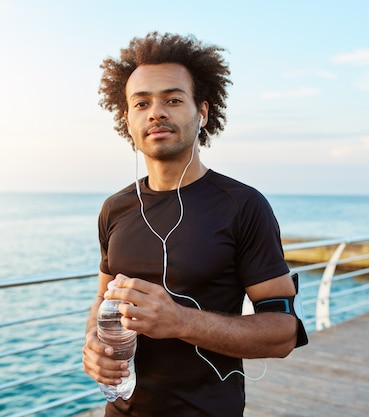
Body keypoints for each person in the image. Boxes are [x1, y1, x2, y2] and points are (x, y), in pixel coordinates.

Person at [82, 32, 307, 417]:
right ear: (128, 119)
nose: (156, 112)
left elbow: (283, 332)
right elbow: (104, 299)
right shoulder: (115, 208)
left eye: (173, 99)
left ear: (202, 112)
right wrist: (93, 345)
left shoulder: (243, 206)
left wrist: (180, 321)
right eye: (142, 103)